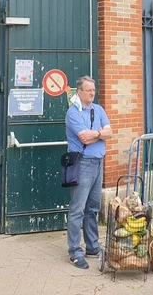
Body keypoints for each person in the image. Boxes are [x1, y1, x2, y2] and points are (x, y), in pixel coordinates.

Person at [65, 76, 112, 270]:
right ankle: (75, 251)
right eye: (88, 90)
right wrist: (99, 134)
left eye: (94, 90)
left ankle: (92, 247)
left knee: (93, 209)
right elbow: (84, 138)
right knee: (77, 209)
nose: (92, 93)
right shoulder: (73, 113)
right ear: (79, 92)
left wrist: (98, 134)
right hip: (82, 164)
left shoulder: (99, 109)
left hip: (98, 163)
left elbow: (110, 132)